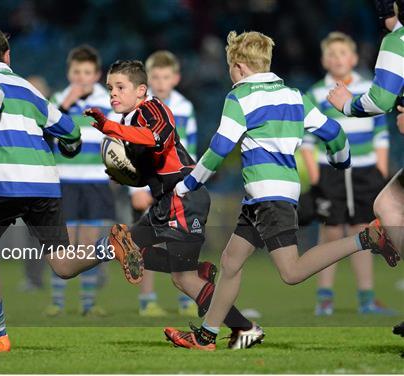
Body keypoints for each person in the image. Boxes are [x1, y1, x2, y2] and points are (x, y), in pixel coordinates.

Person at [163, 30, 399, 351]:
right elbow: (334, 133)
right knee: (231, 262)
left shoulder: (239, 97)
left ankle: (367, 238)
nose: (230, 74)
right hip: (271, 193)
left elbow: (219, 148)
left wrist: (188, 184)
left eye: (231, 67)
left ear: (241, 67)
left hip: (267, 195)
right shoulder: (295, 95)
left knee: (291, 271)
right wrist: (340, 162)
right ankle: (209, 335)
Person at [0, 25, 143, 352]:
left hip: (3, 179)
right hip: (44, 182)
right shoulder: (30, 90)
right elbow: (68, 129)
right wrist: (71, 146)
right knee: (61, 264)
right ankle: (107, 247)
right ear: (8, 56)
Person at [84, 60, 259, 350]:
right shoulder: (130, 121)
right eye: (110, 88)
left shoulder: (152, 108)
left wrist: (111, 128)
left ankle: (244, 328)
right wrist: (125, 175)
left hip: (183, 196)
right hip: (165, 201)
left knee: (183, 279)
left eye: (120, 87)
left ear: (141, 90)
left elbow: (159, 138)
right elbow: (147, 172)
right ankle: (203, 275)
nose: (113, 93)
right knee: (128, 247)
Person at [300, 32, 393, 315]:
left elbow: (380, 133)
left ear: (353, 58)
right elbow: (308, 141)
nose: (337, 58)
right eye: (332, 54)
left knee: (363, 232)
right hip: (331, 172)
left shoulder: (370, 89)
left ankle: (366, 298)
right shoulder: (315, 94)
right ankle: (324, 299)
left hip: (365, 171)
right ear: (323, 60)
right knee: (330, 232)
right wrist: (316, 178)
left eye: (343, 53)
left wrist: (380, 169)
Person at [45, 45, 118, 316]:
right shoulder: (58, 99)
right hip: (64, 180)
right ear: (69, 73)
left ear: (97, 74)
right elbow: (45, 133)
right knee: (63, 243)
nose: (82, 77)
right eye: (77, 72)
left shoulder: (107, 101)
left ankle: (88, 303)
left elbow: (115, 139)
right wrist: (64, 105)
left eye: (87, 72)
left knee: (88, 243)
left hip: (96, 181)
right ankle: (57, 302)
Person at [134, 50, 205, 317]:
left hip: (178, 184)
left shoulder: (185, 107)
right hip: (151, 183)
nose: (161, 82)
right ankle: (147, 300)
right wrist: (138, 188)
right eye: (155, 77)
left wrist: (192, 182)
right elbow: (133, 152)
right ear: (147, 80)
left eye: (166, 76)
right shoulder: (141, 110)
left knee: (179, 240)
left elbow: (192, 148)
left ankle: (186, 297)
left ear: (175, 78)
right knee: (146, 240)